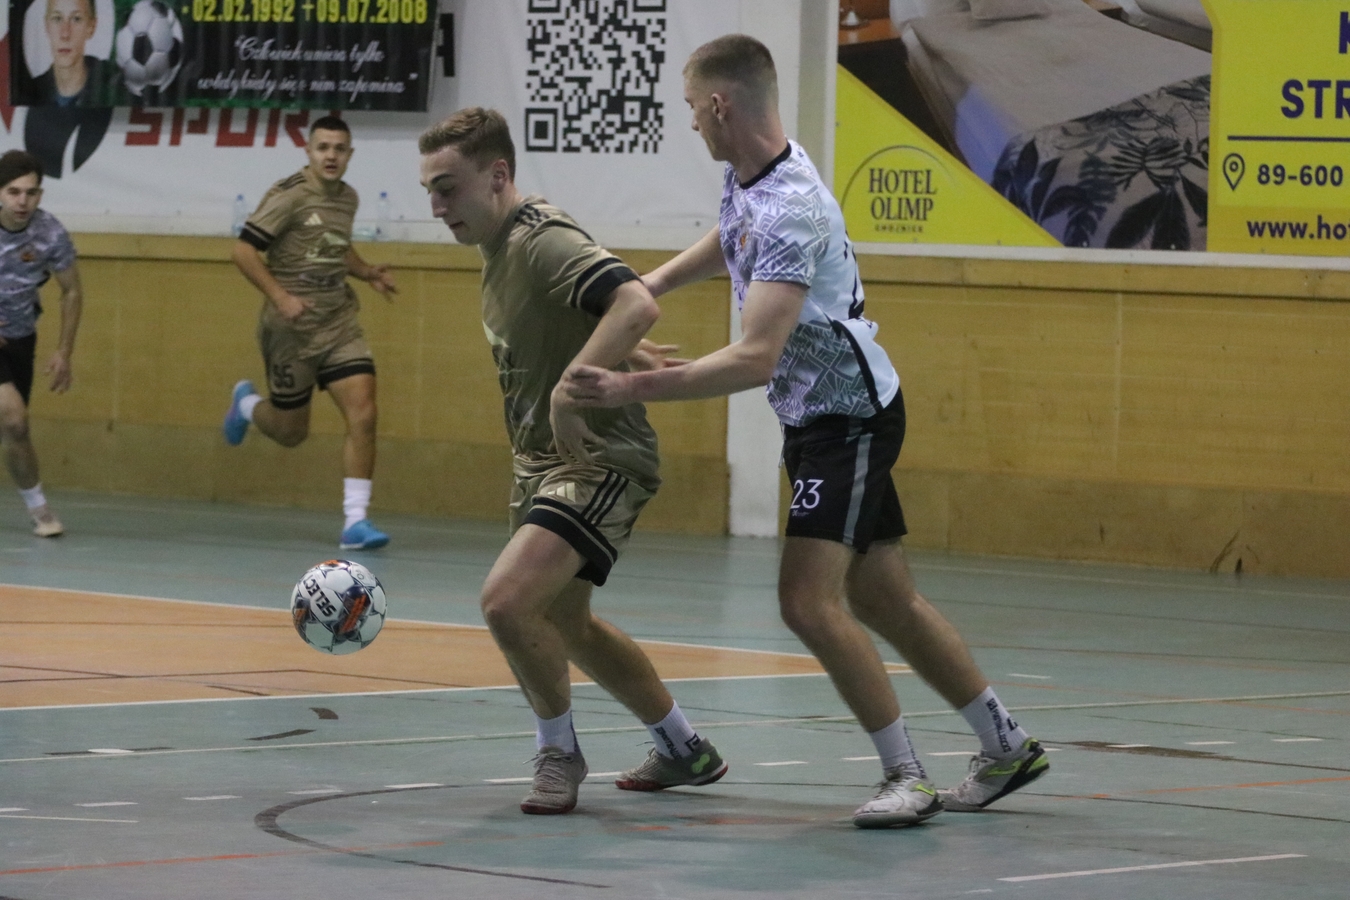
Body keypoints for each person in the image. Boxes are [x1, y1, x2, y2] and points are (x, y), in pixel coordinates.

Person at [561, 34, 1048, 829]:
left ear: (720, 105)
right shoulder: (753, 174)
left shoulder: (792, 208)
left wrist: (626, 386)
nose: (691, 123)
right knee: (884, 597)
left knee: (806, 602)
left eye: (691, 109)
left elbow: (754, 358)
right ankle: (1007, 745)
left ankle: (906, 776)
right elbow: (732, 236)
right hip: (825, 416)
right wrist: (649, 283)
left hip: (846, 421)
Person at [417, 107, 727, 816]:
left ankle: (558, 753)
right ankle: (684, 747)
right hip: (540, 463)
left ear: (498, 175)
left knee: (506, 602)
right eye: (430, 191)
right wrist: (615, 347)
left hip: (598, 459)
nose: (437, 207)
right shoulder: (498, 248)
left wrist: (570, 386)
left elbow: (635, 302)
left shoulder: (541, 238)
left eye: (448, 188)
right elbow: (590, 314)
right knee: (564, 623)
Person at [222, 116, 397, 551]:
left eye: (339, 148)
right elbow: (243, 251)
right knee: (291, 432)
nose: (331, 156)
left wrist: (366, 272)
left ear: (349, 154)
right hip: (291, 330)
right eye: (323, 147)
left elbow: (335, 245)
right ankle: (246, 405)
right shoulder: (289, 196)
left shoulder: (348, 198)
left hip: (338, 322)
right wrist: (280, 296)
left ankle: (355, 522)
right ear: (309, 151)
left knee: (364, 412)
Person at [0, 150, 83, 537]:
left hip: (20, 337)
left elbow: (71, 291)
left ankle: (37, 505)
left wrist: (64, 351)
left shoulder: (50, 234)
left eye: (30, 193)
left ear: (40, 195)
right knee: (13, 416)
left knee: (16, 430)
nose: (22, 201)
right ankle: (41, 509)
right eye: (13, 192)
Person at [23, 0, 117, 178]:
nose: (65, 33)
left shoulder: (113, 88)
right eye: (57, 19)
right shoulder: (32, 90)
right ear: (46, 26)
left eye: (76, 19)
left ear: (91, 27)